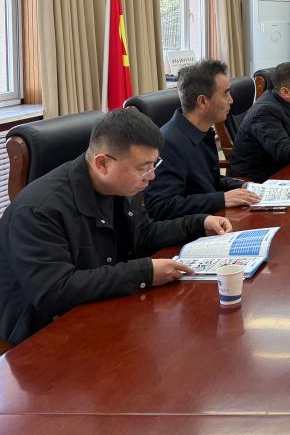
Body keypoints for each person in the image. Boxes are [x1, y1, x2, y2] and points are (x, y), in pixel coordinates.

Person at [0, 108, 232, 346]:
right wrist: (145, 272)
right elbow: (55, 290)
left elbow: (142, 235)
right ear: (102, 164)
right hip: (42, 335)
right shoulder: (38, 210)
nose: (151, 176)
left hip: (100, 307)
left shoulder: (121, 185)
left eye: (154, 164)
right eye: (143, 168)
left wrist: (199, 223)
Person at [145, 60, 260, 220]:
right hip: (194, 229)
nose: (231, 100)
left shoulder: (202, 132)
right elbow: (162, 206)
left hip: (212, 220)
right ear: (203, 101)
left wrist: (243, 186)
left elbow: (207, 182)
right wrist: (221, 199)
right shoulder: (168, 143)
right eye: (226, 93)